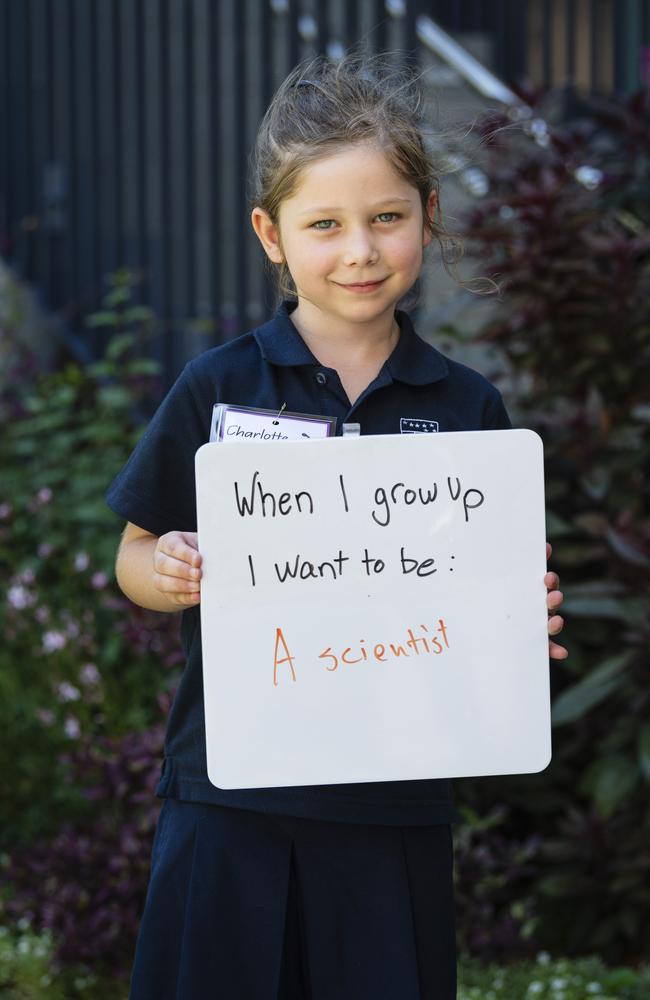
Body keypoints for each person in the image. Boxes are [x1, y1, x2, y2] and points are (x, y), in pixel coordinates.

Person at [107, 51, 567, 1000]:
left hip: (392, 806)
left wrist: (525, 618)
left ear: (429, 219)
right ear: (270, 235)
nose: (359, 250)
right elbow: (134, 553)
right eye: (326, 225)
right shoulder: (219, 387)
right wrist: (173, 568)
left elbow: (488, 590)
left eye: (387, 218)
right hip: (230, 797)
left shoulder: (468, 405)